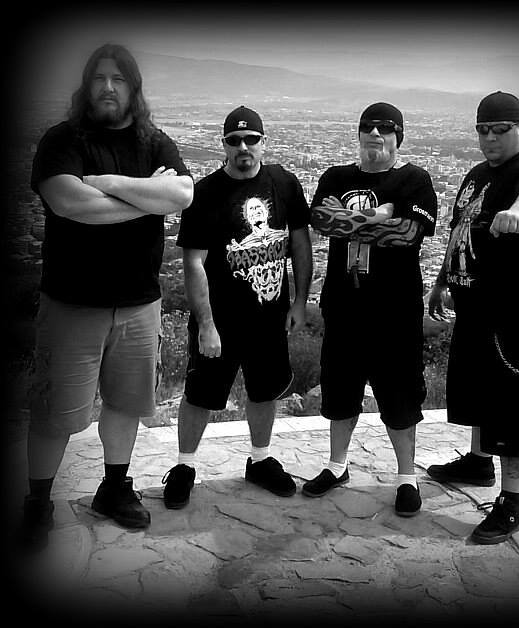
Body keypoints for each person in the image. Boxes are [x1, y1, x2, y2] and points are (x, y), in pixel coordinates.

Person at [19, 43, 194, 550]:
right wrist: (146, 197)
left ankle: (114, 488)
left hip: (139, 302)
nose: (109, 87)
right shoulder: (63, 140)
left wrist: (109, 184)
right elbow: (70, 204)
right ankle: (37, 503)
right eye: (100, 78)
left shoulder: (154, 141)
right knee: (55, 413)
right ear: (87, 85)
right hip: (72, 303)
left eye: (119, 79)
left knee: (125, 405)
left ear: (133, 88)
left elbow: (182, 195)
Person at [427, 91, 519, 544]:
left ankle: (513, 501)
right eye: (482, 130)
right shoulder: (477, 174)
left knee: (514, 403)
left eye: (500, 130)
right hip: (477, 307)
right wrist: (442, 280)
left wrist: (518, 214)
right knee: (481, 391)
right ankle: (479, 461)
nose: (489, 139)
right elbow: (460, 230)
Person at [161, 106, 312, 508]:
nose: (243, 147)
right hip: (221, 319)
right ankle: (184, 466)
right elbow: (194, 263)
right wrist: (206, 324)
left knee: (265, 391)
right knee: (200, 394)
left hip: (270, 317)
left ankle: (260, 460)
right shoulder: (205, 193)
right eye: (234, 140)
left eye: (251, 139)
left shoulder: (284, 182)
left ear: (264, 142)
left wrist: (299, 301)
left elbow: (300, 243)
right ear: (224, 145)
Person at [302, 102, 437, 517]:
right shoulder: (336, 176)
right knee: (340, 389)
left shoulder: (414, 179)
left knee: (400, 394)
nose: (375, 134)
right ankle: (336, 465)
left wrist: (350, 220)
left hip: (395, 311)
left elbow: (408, 234)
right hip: (344, 306)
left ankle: (406, 477)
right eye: (368, 127)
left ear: (399, 137)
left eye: (385, 128)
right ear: (358, 134)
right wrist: (379, 216)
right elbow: (322, 221)